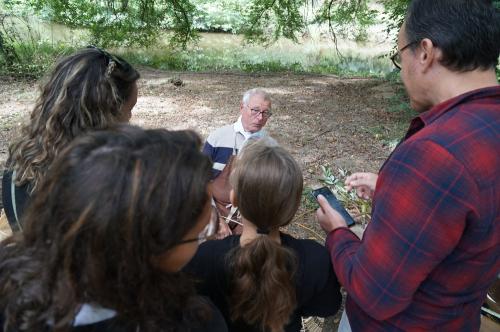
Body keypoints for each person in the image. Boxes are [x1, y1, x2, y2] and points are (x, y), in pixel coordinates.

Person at [316, 0, 500, 331]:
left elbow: (375, 293)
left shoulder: (435, 154)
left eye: (399, 56)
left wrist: (337, 233)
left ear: (425, 53)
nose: (400, 71)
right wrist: (392, 189)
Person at [0, 125, 227, 332]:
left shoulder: (9, 277)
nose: (204, 239)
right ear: (149, 249)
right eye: (201, 234)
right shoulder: (193, 322)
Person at [187, 139, 342, 332]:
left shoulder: (204, 257)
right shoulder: (316, 259)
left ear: (234, 198)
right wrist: (338, 236)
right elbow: (328, 307)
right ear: (292, 208)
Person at [1, 47, 140, 231]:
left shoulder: (21, 159)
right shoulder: (95, 177)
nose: (130, 121)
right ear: (105, 115)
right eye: (128, 111)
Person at [202, 88, 272, 237]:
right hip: (214, 210)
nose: (260, 118)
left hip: (250, 216)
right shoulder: (218, 138)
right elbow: (199, 183)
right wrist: (217, 220)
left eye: (266, 113)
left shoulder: (269, 146)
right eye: (255, 110)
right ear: (242, 107)